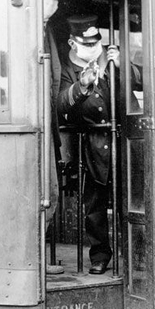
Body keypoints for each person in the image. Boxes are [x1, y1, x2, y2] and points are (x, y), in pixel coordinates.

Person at [57, 14, 120, 275]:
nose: (94, 49)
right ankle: (100, 254)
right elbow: (60, 104)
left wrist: (121, 66)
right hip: (93, 144)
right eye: (87, 45)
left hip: (124, 141)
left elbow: (139, 83)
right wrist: (82, 85)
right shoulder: (68, 69)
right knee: (94, 204)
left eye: (96, 44)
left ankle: (136, 251)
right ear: (73, 44)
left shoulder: (111, 59)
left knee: (129, 200)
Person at [43, 0, 64, 275]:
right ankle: (34, 260)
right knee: (47, 192)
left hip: (46, 120)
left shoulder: (45, 30)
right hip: (37, 119)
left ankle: (36, 258)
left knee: (51, 193)